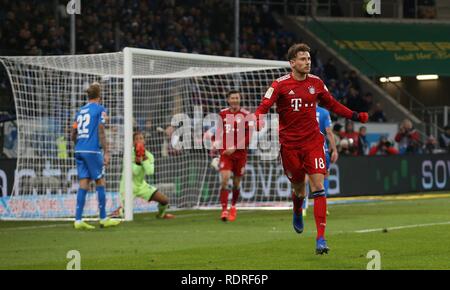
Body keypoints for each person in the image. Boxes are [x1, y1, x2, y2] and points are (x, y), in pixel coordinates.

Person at [254, 43, 368, 255]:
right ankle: (297, 208)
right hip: (289, 145)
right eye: (303, 59)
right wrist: (258, 118)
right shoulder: (279, 85)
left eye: (309, 59)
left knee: (318, 186)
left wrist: (354, 115)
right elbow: (264, 105)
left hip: (313, 142)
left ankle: (321, 238)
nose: (307, 62)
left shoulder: (316, 83)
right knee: (299, 188)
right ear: (292, 63)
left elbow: (333, 104)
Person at [71, 82, 120, 230]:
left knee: (83, 182)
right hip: (93, 150)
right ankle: (103, 218)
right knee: (100, 181)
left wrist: (79, 144)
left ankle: (78, 220)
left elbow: (73, 132)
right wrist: (106, 152)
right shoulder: (100, 109)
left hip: (79, 149)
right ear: (100, 96)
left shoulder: (80, 111)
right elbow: (101, 129)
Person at [112, 132, 175, 219]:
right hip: (128, 186)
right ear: (133, 142)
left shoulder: (149, 155)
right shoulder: (128, 154)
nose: (139, 141)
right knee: (124, 213)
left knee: (164, 200)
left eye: (141, 138)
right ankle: (118, 211)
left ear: (144, 141)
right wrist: (138, 162)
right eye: (136, 139)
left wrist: (144, 159)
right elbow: (134, 172)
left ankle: (161, 215)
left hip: (141, 185)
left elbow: (150, 172)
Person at [216, 90, 253, 222]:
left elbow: (249, 137)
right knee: (224, 180)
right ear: (228, 100)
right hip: (226, 154)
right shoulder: (223, 113)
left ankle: (233, 206)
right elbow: (219, 132)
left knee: (237, 183)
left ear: (240, 99)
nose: (234, 100)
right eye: (232, 98)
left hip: (240, 154)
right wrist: (216, 145)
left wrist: (235, 147)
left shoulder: (246, 115)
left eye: (237, 98)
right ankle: (224, 210)